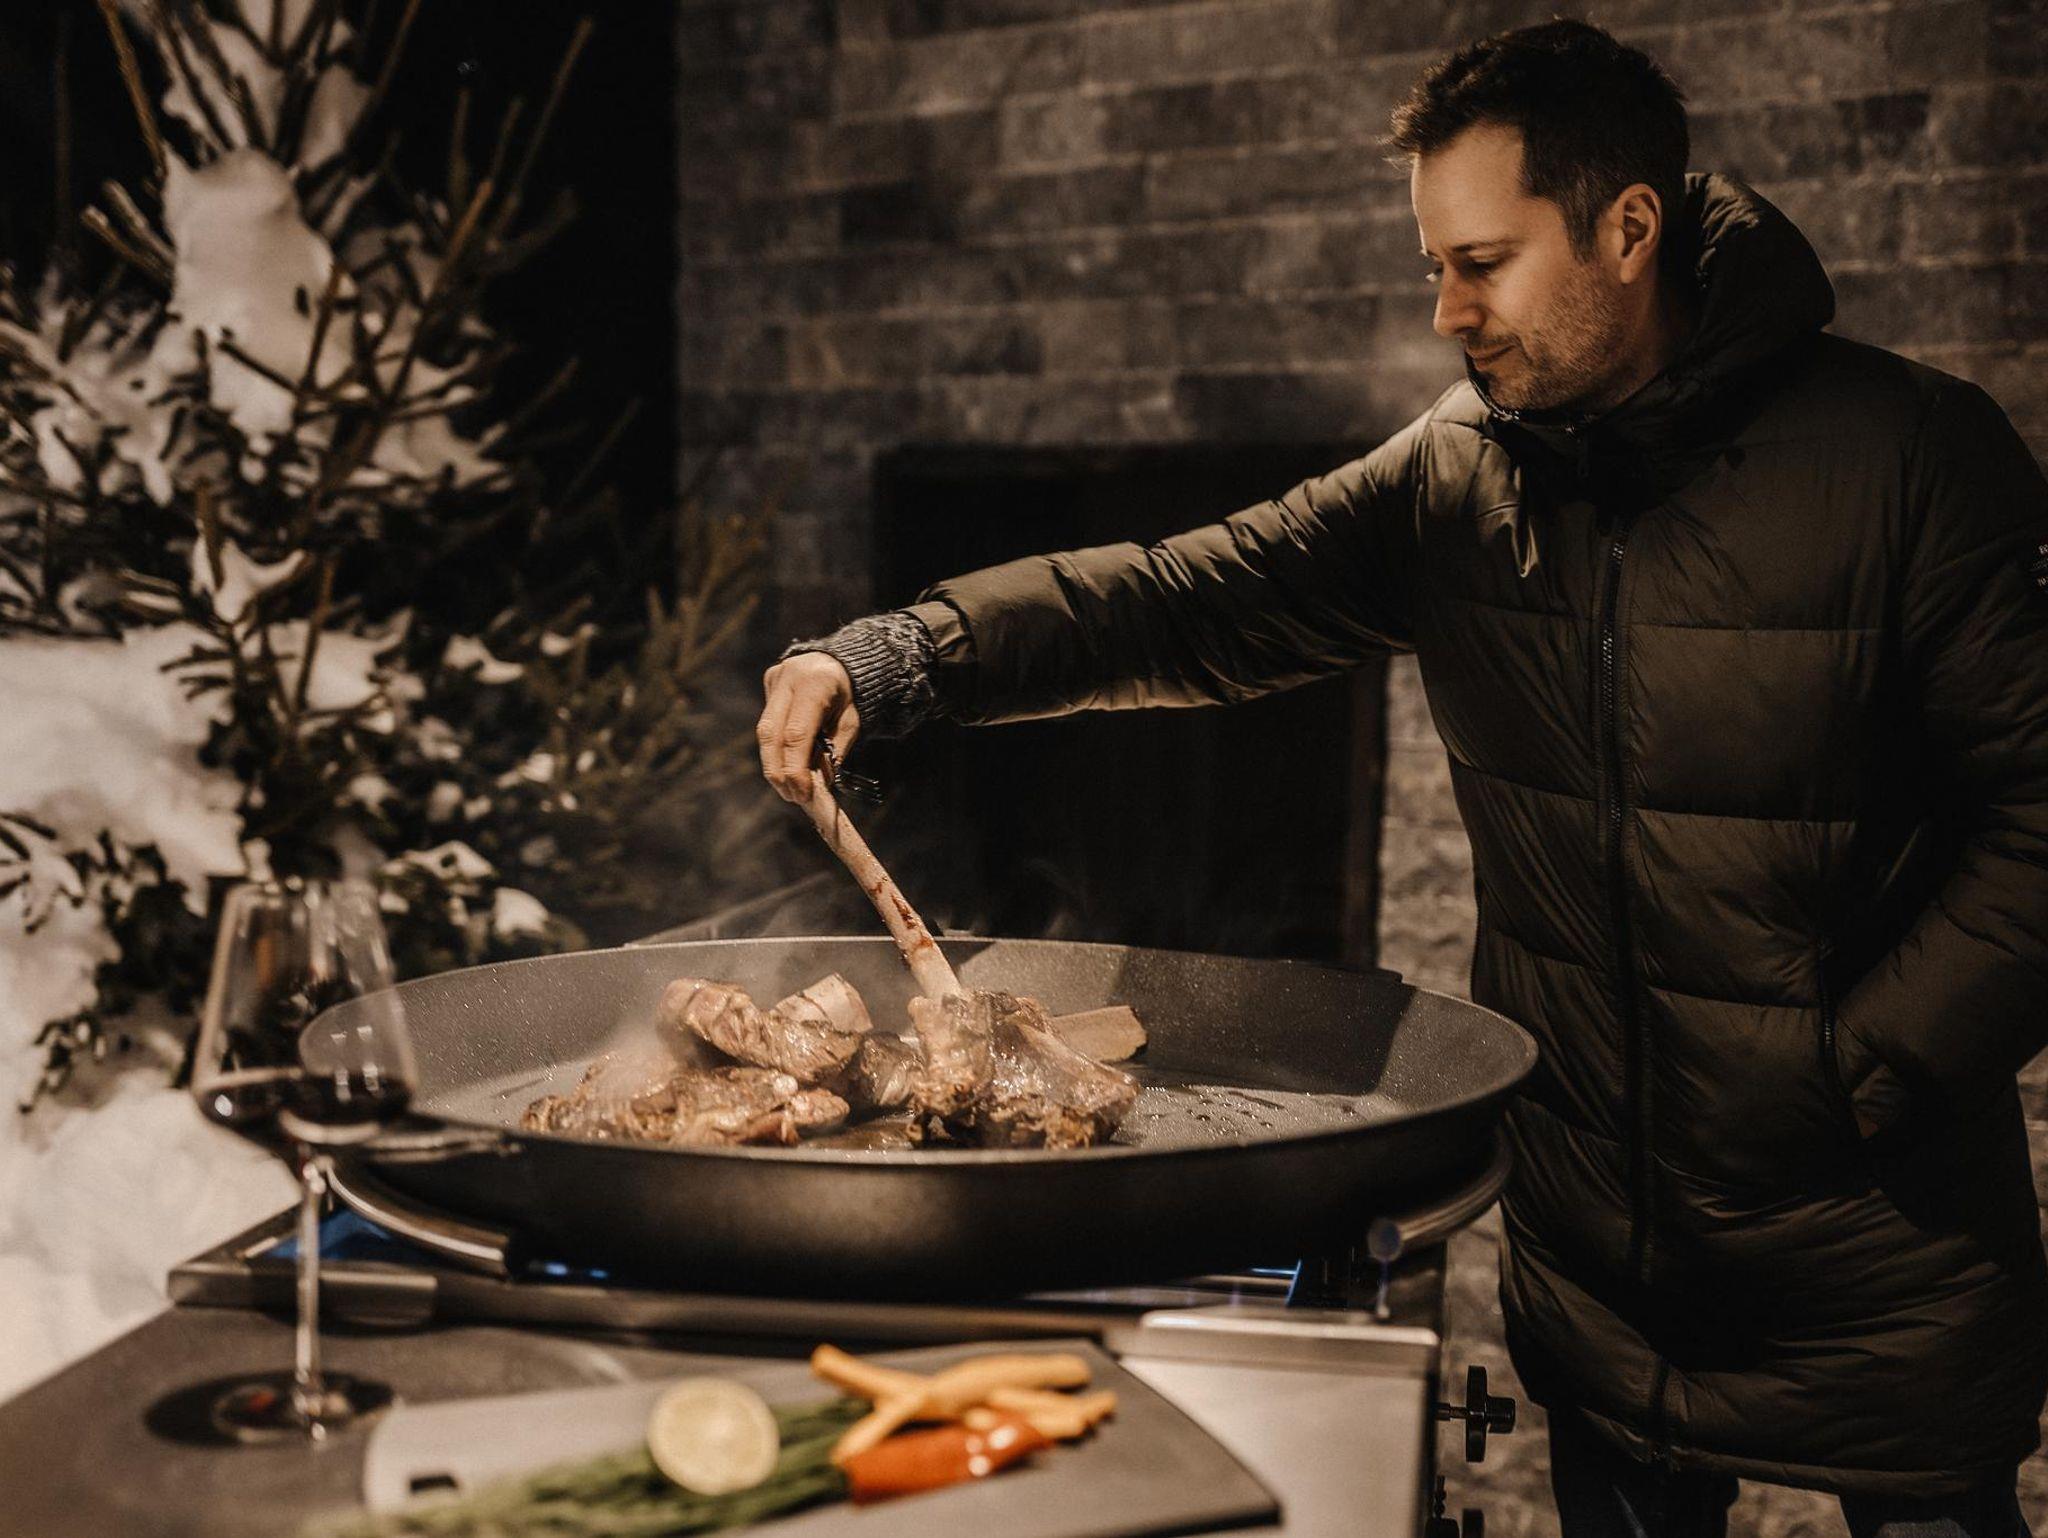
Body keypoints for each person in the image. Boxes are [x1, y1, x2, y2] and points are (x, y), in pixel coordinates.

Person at [755, 19, 2048, 1536]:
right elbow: (1187, 598)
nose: (1446, 312)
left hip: (1883, 1250)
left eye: (1482, 262)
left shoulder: (1913, 456)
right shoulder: (1460, 469)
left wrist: (1865, 1074)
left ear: (1630, 229)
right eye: (1435, 263)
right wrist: (903, 654)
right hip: (1604, 1267)